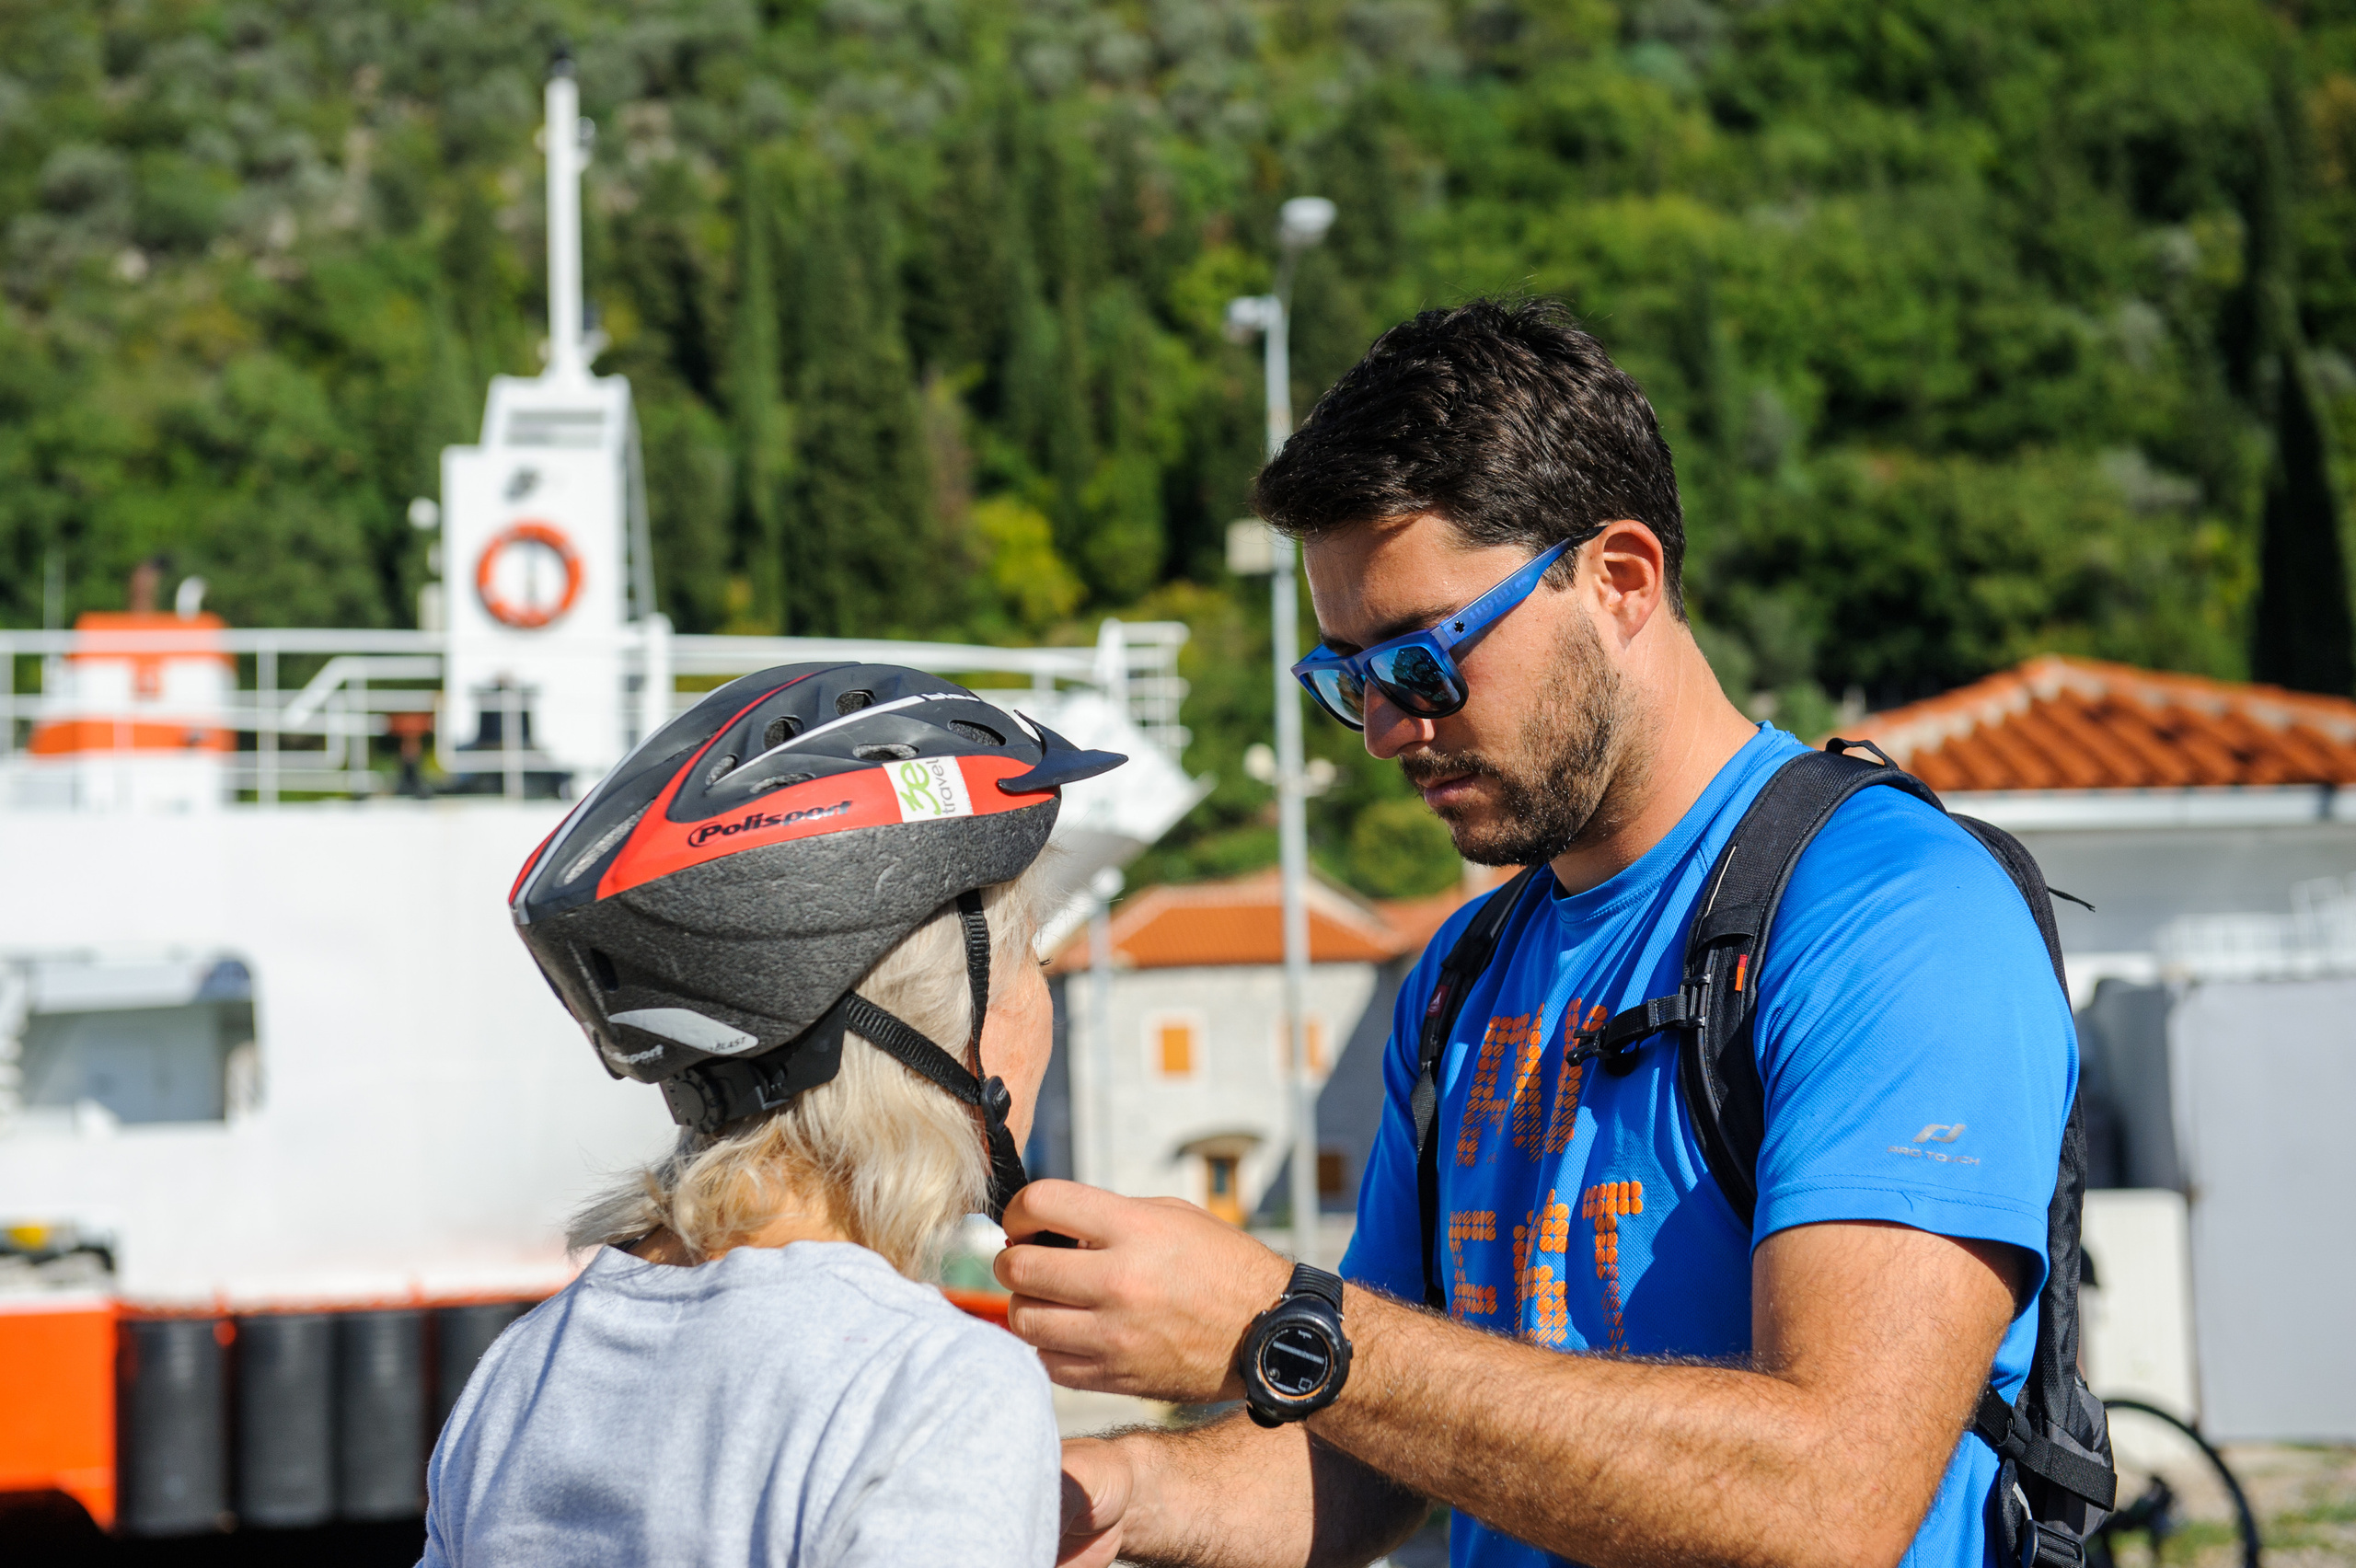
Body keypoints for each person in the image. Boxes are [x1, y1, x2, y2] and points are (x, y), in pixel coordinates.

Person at [996, 299, 2080, 1568]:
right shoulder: (1462, 977)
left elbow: (1831, 1503)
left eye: (1422, 661)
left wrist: (1291, 1327)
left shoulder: (1895, 916)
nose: (1389, 729)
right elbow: (1375, 1453)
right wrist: (1109, 1492)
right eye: (1348, 679)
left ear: (1620, 581)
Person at [421, 663, 1126, 1568]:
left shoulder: (522, 1379)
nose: (1043, 998)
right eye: (1032, 956)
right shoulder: (932, 1391)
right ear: (933, 1022)